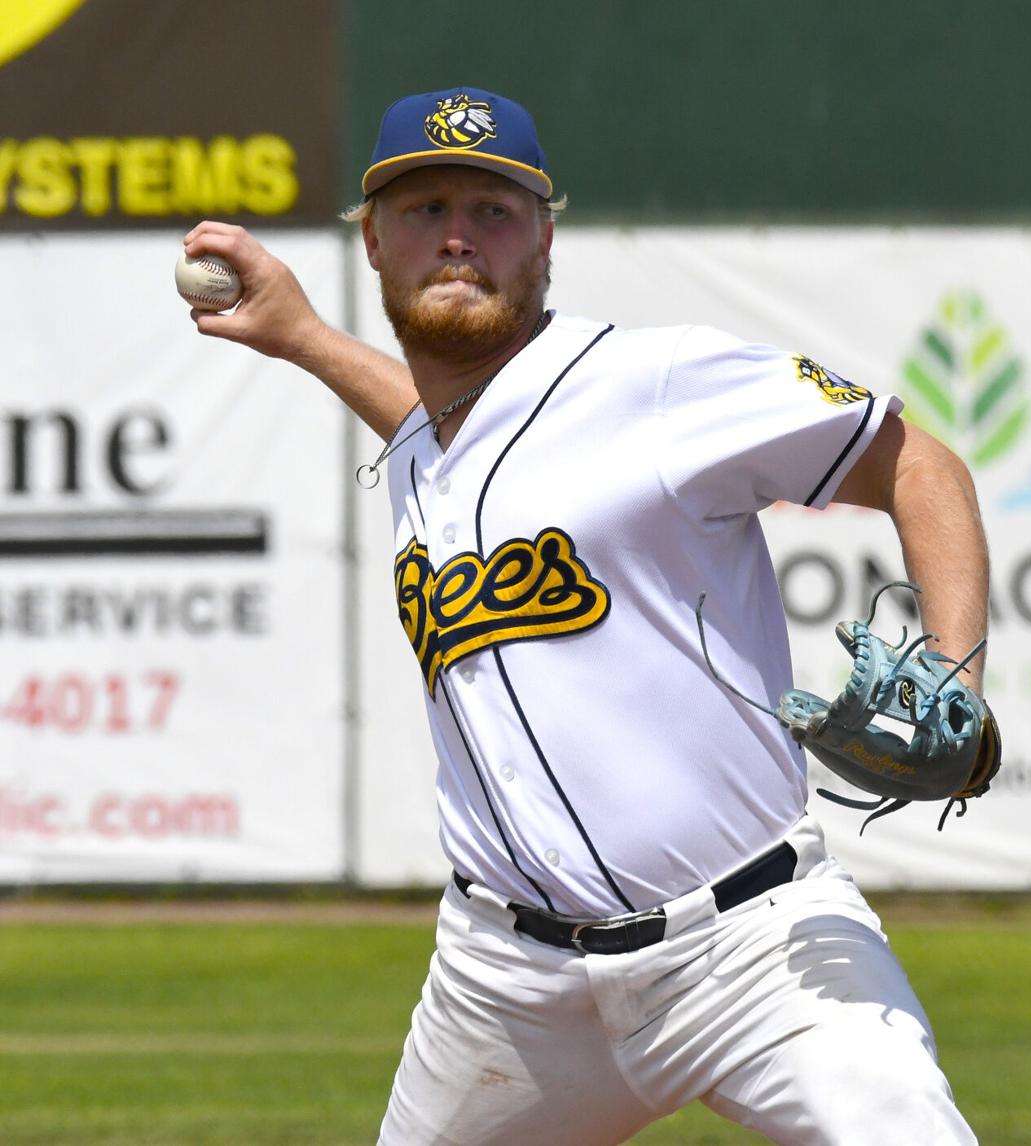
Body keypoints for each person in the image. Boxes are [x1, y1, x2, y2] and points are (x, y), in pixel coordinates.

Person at [185, 87, 988, 1146]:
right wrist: (299, 337)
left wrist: (957, 678)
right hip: (507, 986)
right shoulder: (438, 440)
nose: (459, 237)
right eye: (424, 210)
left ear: (546, 237)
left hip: (753, 948)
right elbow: (460, 438)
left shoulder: (656, 383)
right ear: (373, 240)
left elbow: (920, 464)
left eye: (494, 210)